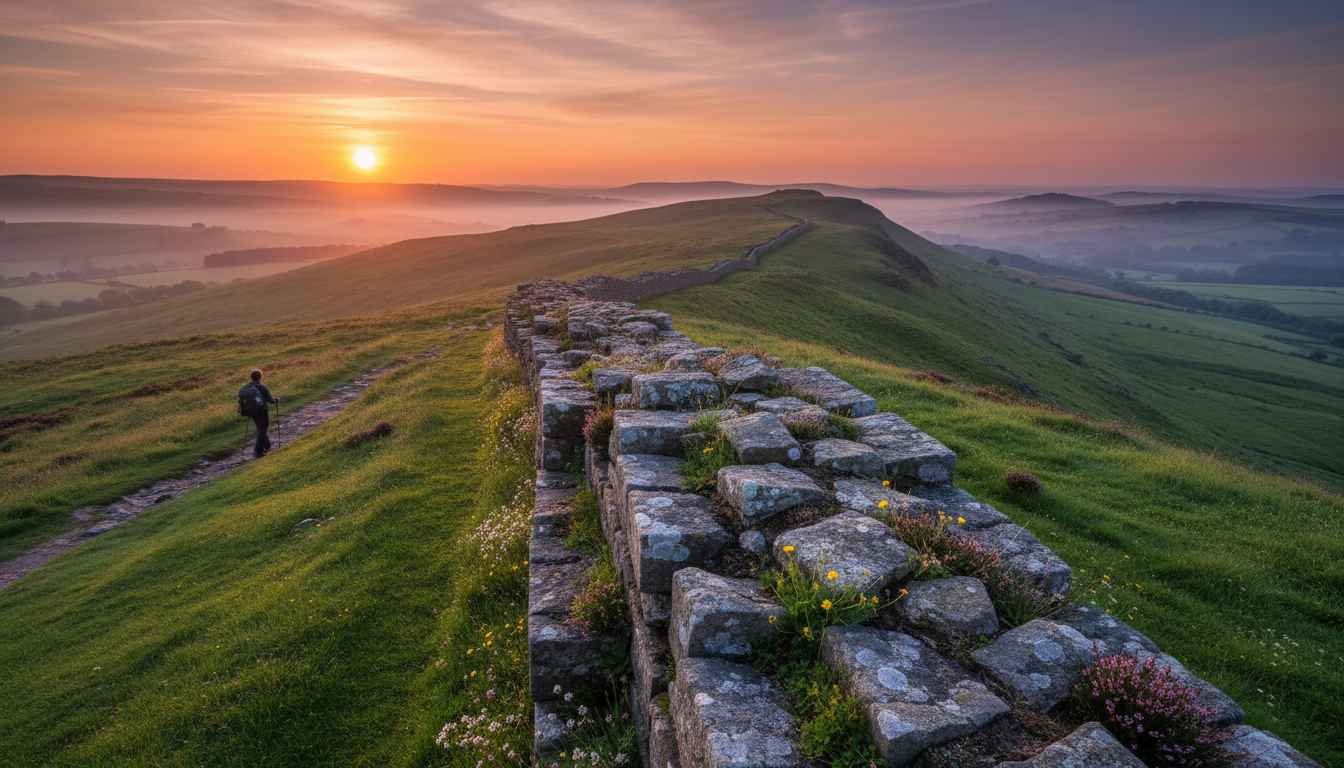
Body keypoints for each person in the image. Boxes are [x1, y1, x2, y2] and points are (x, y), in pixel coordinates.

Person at [241, 369, 279, 457]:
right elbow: (271, 400)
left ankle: (267, 446)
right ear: (260, 377)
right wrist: (276, 400)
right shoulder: (262, 387)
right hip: (262, 411)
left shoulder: (247, 387)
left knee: (260, 428)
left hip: (252, 411)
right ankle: (258, 451)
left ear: (251, 377)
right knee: (262, 429)